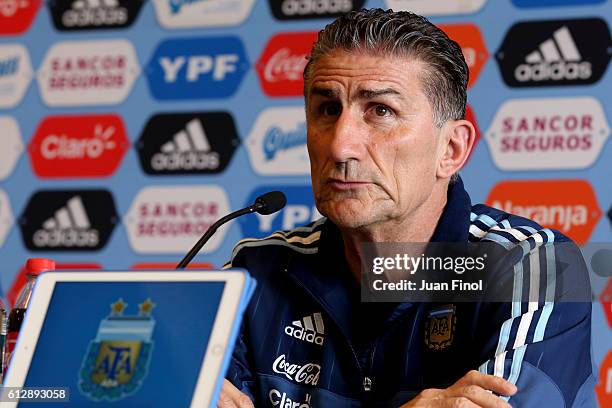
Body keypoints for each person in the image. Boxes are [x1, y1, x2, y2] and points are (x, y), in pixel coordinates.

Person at [217, 9, 596, 408]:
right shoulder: (257, 270)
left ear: (451, 150)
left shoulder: (528, 266)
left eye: (380, 111)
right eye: (328, 109)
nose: (340, 146)